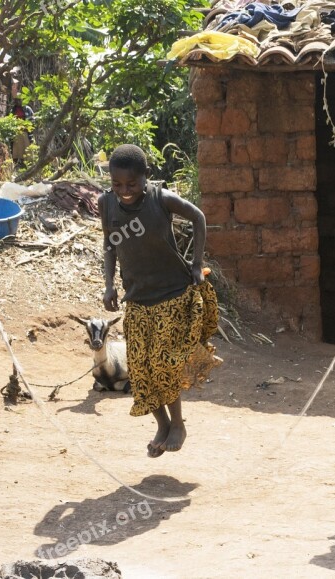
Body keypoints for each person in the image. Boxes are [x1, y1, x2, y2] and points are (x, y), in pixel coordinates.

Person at [99, 144, 220, 458]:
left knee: (164, 364)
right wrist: (109, 285)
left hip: (172, 296)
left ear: (146, 178)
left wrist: (196, 263)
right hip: (137, 299)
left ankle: (178, 424)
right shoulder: (106, 204)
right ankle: (162, 425)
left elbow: (198, 217)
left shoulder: (160, 199)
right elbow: (109, 246)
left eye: (132, 184)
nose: (125, 191)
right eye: (117, 184)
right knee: (141, 370)